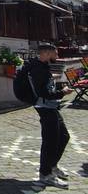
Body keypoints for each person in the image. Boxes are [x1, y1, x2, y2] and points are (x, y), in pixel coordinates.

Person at [30, 44, 73, 189]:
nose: (57, 56)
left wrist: (54, 80)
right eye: (56, 53)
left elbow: (45, 85)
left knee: (64, 136)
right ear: (47, 53)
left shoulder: (42, 66)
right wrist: (63, 92)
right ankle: (45, 175)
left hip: (50, 106)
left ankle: (52, 166)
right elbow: (43, 93)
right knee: (50, 141)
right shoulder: (38, 69)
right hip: (45, 107)